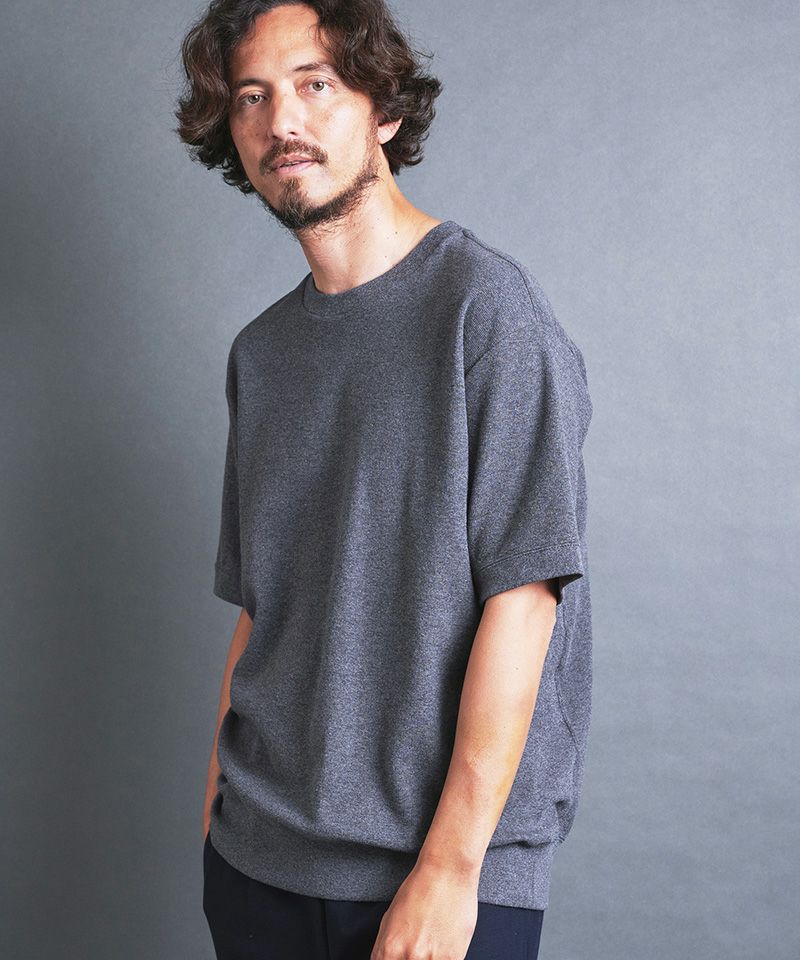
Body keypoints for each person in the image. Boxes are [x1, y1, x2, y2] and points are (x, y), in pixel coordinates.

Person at [174, 1, 594, 958]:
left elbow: (526, 601)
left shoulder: (488, 311)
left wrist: (450, 869)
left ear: (386, 111)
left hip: (440, 876)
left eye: (316, 84)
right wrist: (217, 809)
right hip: (256, 859)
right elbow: (263, 606)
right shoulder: (262, 354)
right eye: (251, 97)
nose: (282, 120)